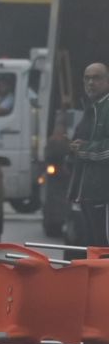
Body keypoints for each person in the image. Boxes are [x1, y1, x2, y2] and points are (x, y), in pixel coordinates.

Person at [69, 63, 109, 247]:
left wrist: (84, 149)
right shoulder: (91, 107)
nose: (91, 83)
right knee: (92, 248)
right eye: (87, 78)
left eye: (97, 78)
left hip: (103, 194)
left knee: (102, 248)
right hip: (87, 194)